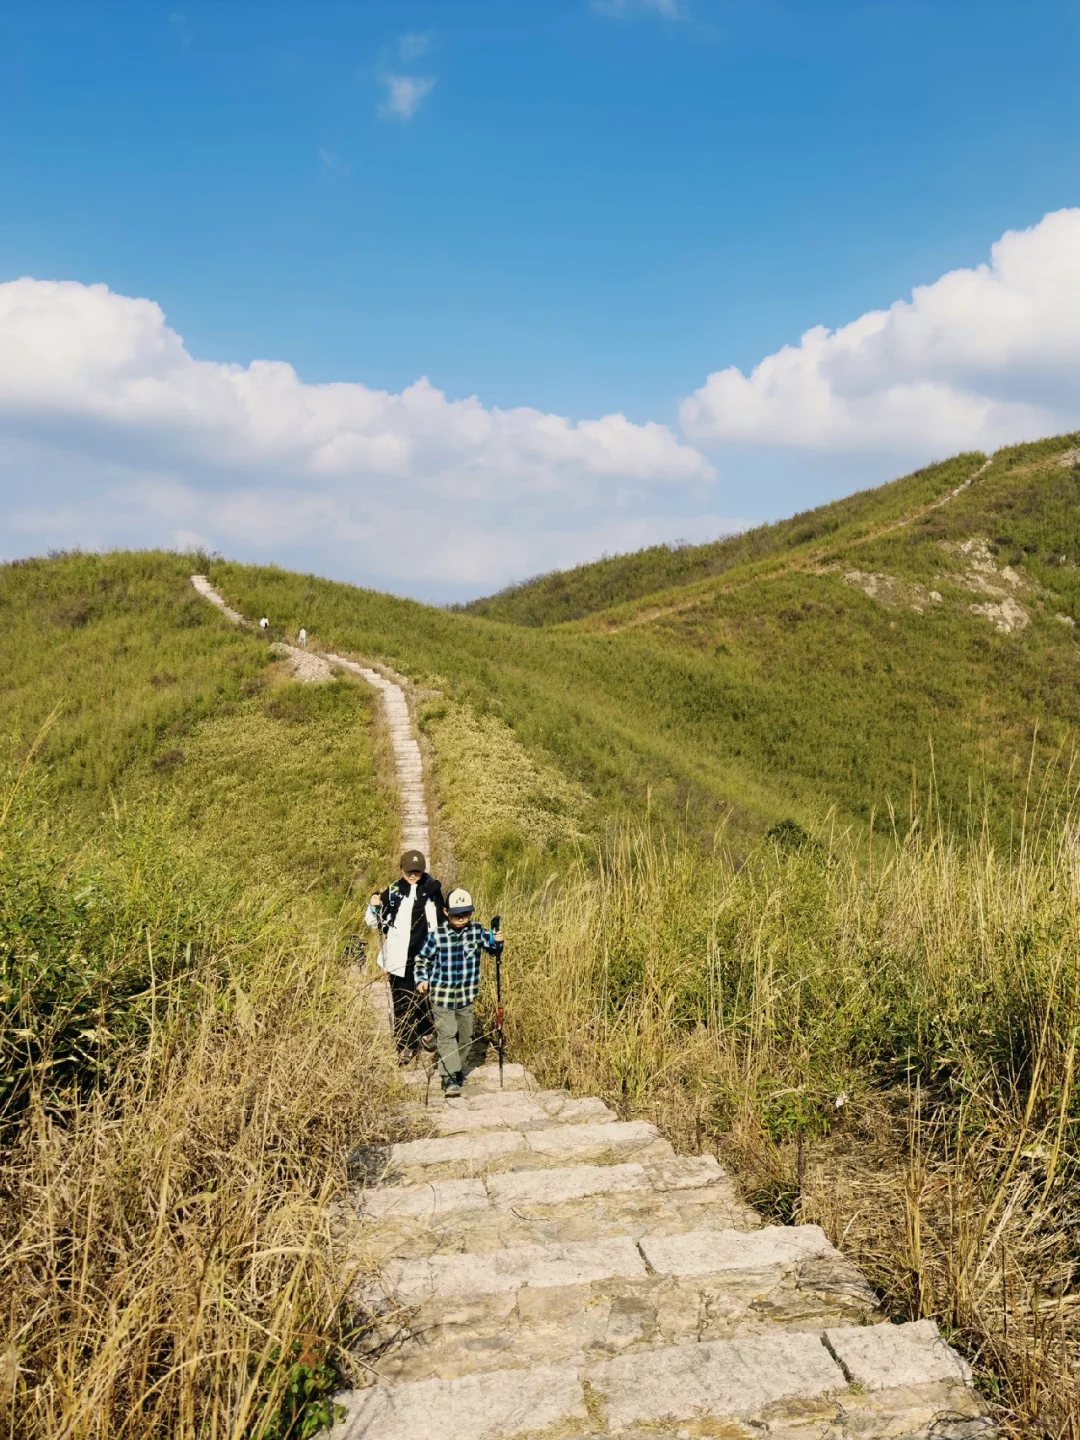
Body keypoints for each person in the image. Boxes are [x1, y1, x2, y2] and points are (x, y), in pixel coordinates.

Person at [415, 888, 502, 1097]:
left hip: (466, 995)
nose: (462, 919)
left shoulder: (477, 931)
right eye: (456, 915)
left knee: (466, 1036)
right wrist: (422, 979)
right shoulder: (437, 935)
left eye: (466, 914)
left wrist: (498, 941)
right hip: (441, 995)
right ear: (446, 912)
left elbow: (493, 950)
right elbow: (422, 960)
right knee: (446, 1035)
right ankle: (449, 1077)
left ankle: (457, 1067)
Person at [365, 849, 444, 1062]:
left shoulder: (433, 889)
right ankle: (405, 1045)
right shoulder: (392, 891)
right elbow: (374, 922)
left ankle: (427, 1032)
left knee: (424, 997)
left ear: (423, 870)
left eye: (417, 871)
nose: (413, 875)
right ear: (401, 869)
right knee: (401, 1000)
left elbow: (442, 919)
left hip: (425, 954)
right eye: (409, 871)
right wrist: (373, 907)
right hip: (399, 957)